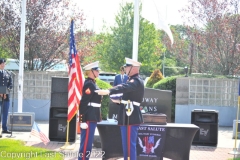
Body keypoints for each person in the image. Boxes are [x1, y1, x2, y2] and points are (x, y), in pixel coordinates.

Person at [96, 57, 144, 160]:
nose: (125, 69)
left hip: (131, 116)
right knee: (125, 146)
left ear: (133, 68)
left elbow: (125, 87)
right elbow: (128, 96)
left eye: (127, 67)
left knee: (130, 146)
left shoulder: (136, 81)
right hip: (125, 116)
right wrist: (119, 101)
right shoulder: (131, 80)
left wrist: (109, 91)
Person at [78, 61, 102, 160]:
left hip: (93, 116)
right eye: (97, 70)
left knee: (88, 143)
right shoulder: (89, 84)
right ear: (91, 71)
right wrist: (82, 120)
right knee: (86, 144)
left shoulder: (92, 83)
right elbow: (83, 103)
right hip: (89, 116)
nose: (98, 72)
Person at [0, 58, 13, 135]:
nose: (2, 65)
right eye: (1, 63)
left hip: (6, 97)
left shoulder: (8, 73)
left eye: (4, 63)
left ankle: (4, 128)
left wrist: (6, 92)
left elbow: (10, 84)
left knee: (5, 113)